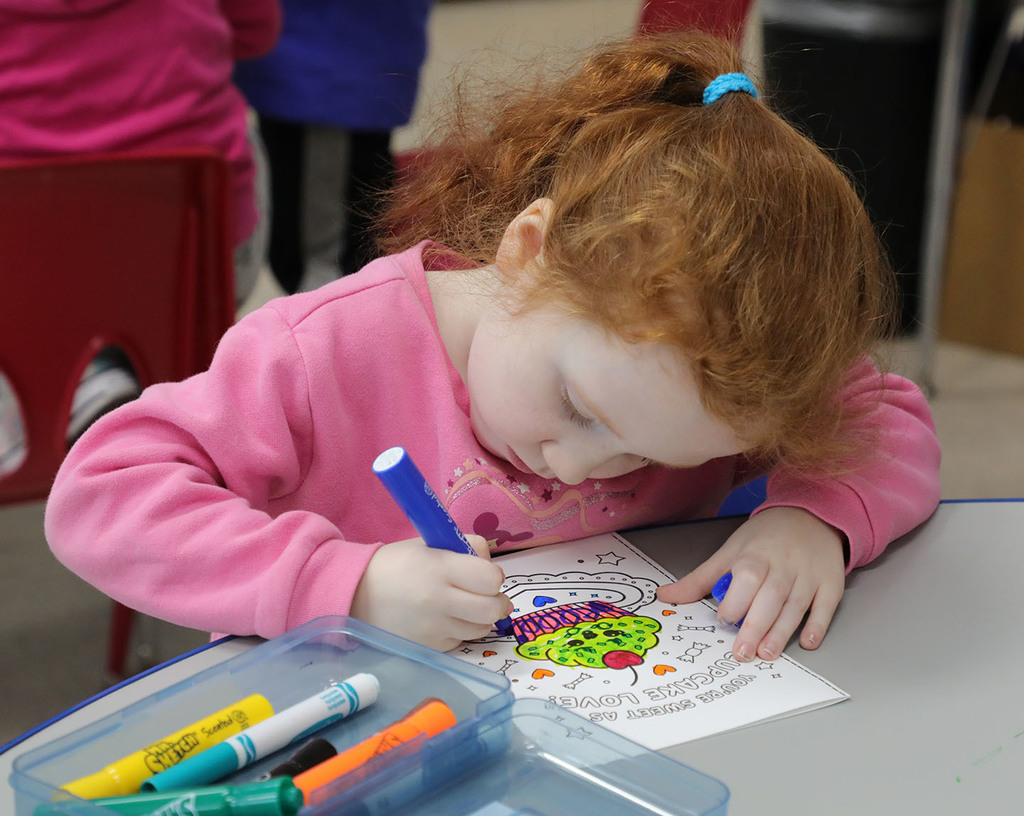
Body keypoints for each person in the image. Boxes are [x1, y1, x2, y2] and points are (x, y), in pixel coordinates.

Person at [45, 33, 941, 666]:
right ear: (524, 251)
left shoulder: (705, 373)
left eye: (648, 455)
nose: (583, 464)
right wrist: (340, 583)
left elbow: (882, 414)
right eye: (580, 408)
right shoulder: (325, 354)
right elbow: (102, 494)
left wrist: (814, 515)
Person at [0, 0, 280, 448]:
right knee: (238, 138)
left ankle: (82, 380)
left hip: (31, 263)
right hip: (197, 255)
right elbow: (257, 35)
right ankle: (172, 383)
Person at [232, 0, 433, 293]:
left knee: (322, 261)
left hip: (323, 69)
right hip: (321, 62)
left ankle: (341, 331)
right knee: (330, 253)